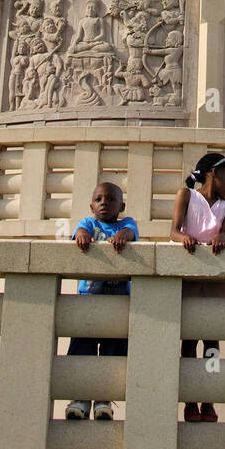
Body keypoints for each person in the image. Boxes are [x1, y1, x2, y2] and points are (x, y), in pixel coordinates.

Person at [170, 152, 225, 424]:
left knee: (212, 341)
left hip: (214, 277)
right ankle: (190, 402)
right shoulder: (186, 196)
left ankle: (208, 398)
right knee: (188, 341)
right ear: (213, 173)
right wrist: (184, 238)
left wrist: (222, 237)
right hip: (190, 275)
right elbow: (173, 231)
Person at [65, 181, 138, 422]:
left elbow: (131, 232)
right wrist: (83, 236)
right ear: (91, 206)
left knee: (112, 352)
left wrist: (122, 237)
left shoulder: (125, 224)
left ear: (121, 205)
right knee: (82, 350)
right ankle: (80, 399)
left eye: (110, 199)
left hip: (117, 305)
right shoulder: (89, 224)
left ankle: (104, 401)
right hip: (88, 302)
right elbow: (79, 231)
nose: (104, 203)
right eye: (99, 199)